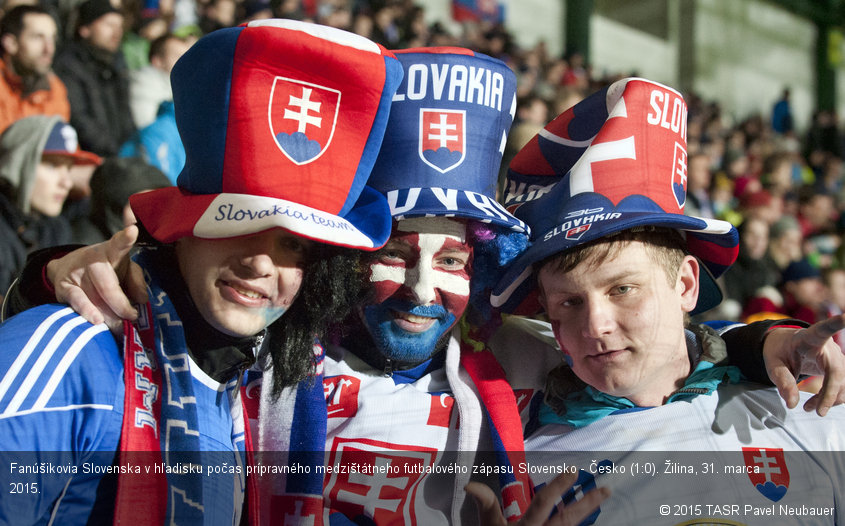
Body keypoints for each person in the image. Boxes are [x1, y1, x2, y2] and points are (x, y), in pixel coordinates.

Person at [0, 19, 403, 524]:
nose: (260, 263)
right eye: (235, 225)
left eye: (292, 245)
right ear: (184, 228)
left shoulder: (262, 393)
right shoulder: (74, 350)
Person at [482, 77, 845, 524]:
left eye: (622, 289)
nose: (596, 326)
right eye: (569, 303)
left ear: (686, 286)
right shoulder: (524, 477)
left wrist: (758, 343)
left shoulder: (807, 415)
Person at [0, 115, 100, 298]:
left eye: (69, 169)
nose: (67, 183)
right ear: (17, 163)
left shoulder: (56, 228)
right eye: (53, 166)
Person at [52, 0, 136, 156]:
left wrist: (132, 148)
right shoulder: (68, 64)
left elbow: (126, 114)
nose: (117, 32)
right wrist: (116, 153)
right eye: (109, 25)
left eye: (119, 26)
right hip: (89, 158)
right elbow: (79, 118)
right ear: (85, 29)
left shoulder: (117, 63)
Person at [0, 4, 70, 133]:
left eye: (53, 39)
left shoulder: (54, 88)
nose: (49, 49)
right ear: (11, 43)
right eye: (38, 37)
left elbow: (60, 145)